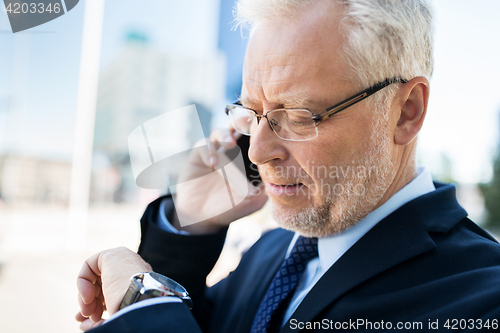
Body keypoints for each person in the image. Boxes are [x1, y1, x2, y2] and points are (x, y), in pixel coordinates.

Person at [76, 0, 500, 332]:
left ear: (406, 111)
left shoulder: (482, 299)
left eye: (298, 116)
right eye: (250, 111)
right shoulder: (274, 250)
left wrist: (144, 302)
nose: (257, 151)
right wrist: (192, 225)